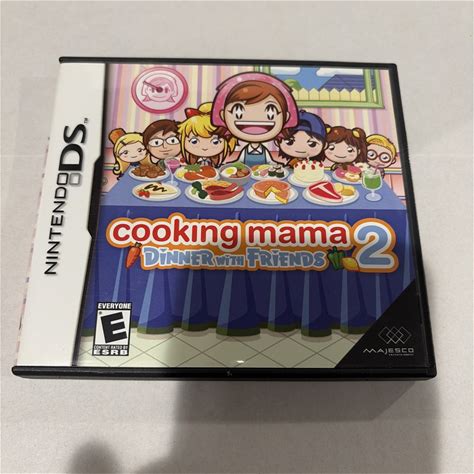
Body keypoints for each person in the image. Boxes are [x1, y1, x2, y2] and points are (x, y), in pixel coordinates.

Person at [211, 72, 298, 167]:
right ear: (223, 115)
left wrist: (278, 166)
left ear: (286, 117)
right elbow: (239, 162)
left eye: (270, 112)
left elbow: (270, 162)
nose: (255, 118)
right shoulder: (245, 151)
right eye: (238, 111)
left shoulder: (264, 151)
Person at [178, 103, 236, 168]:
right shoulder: (190, 159)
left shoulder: (217, 160)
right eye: (194, 141)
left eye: (215, 142)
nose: (204, 148)